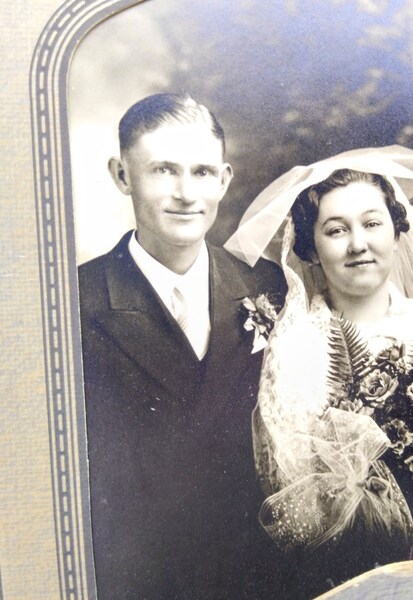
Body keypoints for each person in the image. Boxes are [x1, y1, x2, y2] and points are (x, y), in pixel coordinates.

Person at [225, 146, 413, 599]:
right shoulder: (299, 353)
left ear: (395, 230)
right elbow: (307, 511)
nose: (357, 244)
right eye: (336, 230)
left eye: (372, 223)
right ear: (311, 248)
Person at [78, 93, 287, 599]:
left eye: (200, 172)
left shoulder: (268, 287)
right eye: (162, 170)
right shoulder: (74, 302)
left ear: (224, 179)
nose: (185, 193)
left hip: (258, 578)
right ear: (122, 175)